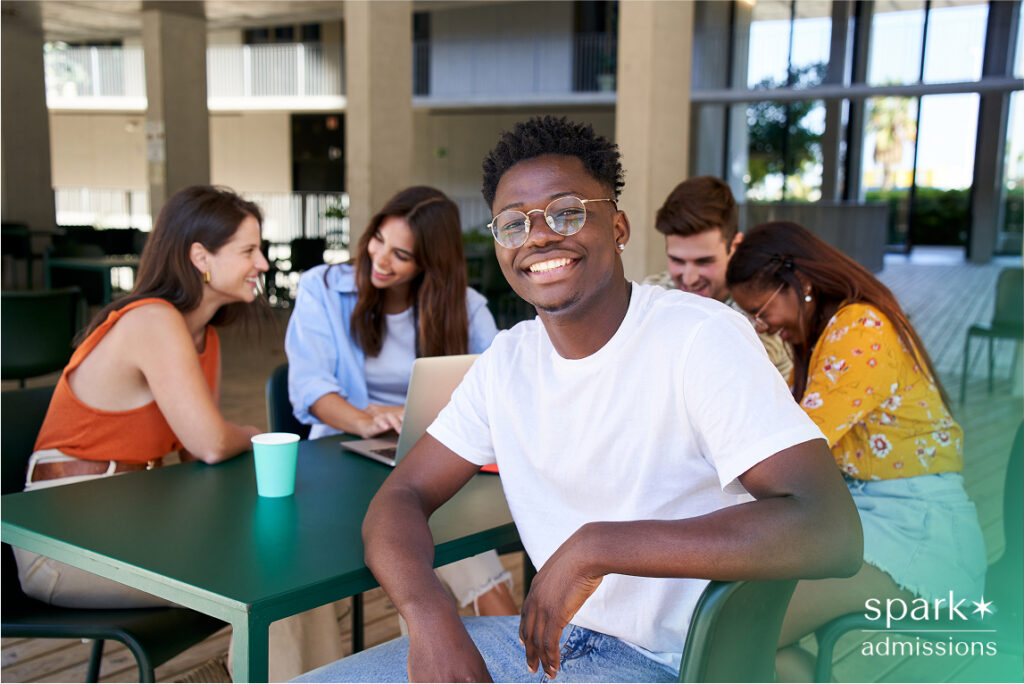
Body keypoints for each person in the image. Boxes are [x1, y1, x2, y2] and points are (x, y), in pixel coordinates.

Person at [295, 116, 862, 683]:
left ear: (617, 227)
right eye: (513, 225)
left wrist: (598, 546)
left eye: (566, 212)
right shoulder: (507, 362)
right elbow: (402, 496)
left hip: (668, 665)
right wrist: (430, 616)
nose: (538, 237)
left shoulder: (698, 338)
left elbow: (829, 531)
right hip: (544, 650)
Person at [11, 185, 340, 682]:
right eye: (249, 251)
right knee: (278, 573)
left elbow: (194, 453)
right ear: (200, 257)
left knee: (293, 566)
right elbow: (209, 443)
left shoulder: (202, 336)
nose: (263, 265)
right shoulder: (153, 321)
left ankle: (254, 673)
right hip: (62, 545)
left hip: (137, 523)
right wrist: (250, 432)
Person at [725, 221, 986, 682]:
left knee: (735, 629)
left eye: (761, 312)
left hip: (919, 536)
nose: (764, 328)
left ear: (799, 283)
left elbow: (794, 444)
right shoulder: (828, 334)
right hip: (871, 522)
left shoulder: (858, 327)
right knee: (750, 644)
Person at [285, 185, 519, 618]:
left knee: (453, 549)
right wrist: (364, 420)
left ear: (430, 262)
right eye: (378, 240)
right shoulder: (322, 288)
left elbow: (501, 381)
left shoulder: (464, 306)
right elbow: (310, 387)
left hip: (429, 456)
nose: (380, 259)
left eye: (402, 255)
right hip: (342, 454)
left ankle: (517, 663)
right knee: (298, 560)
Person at [644, 175, 792, 379]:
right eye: (677, 261)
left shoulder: (760, 308)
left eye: (704, 262)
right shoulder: (652, 293)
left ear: (735, 246)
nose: (689, 278)